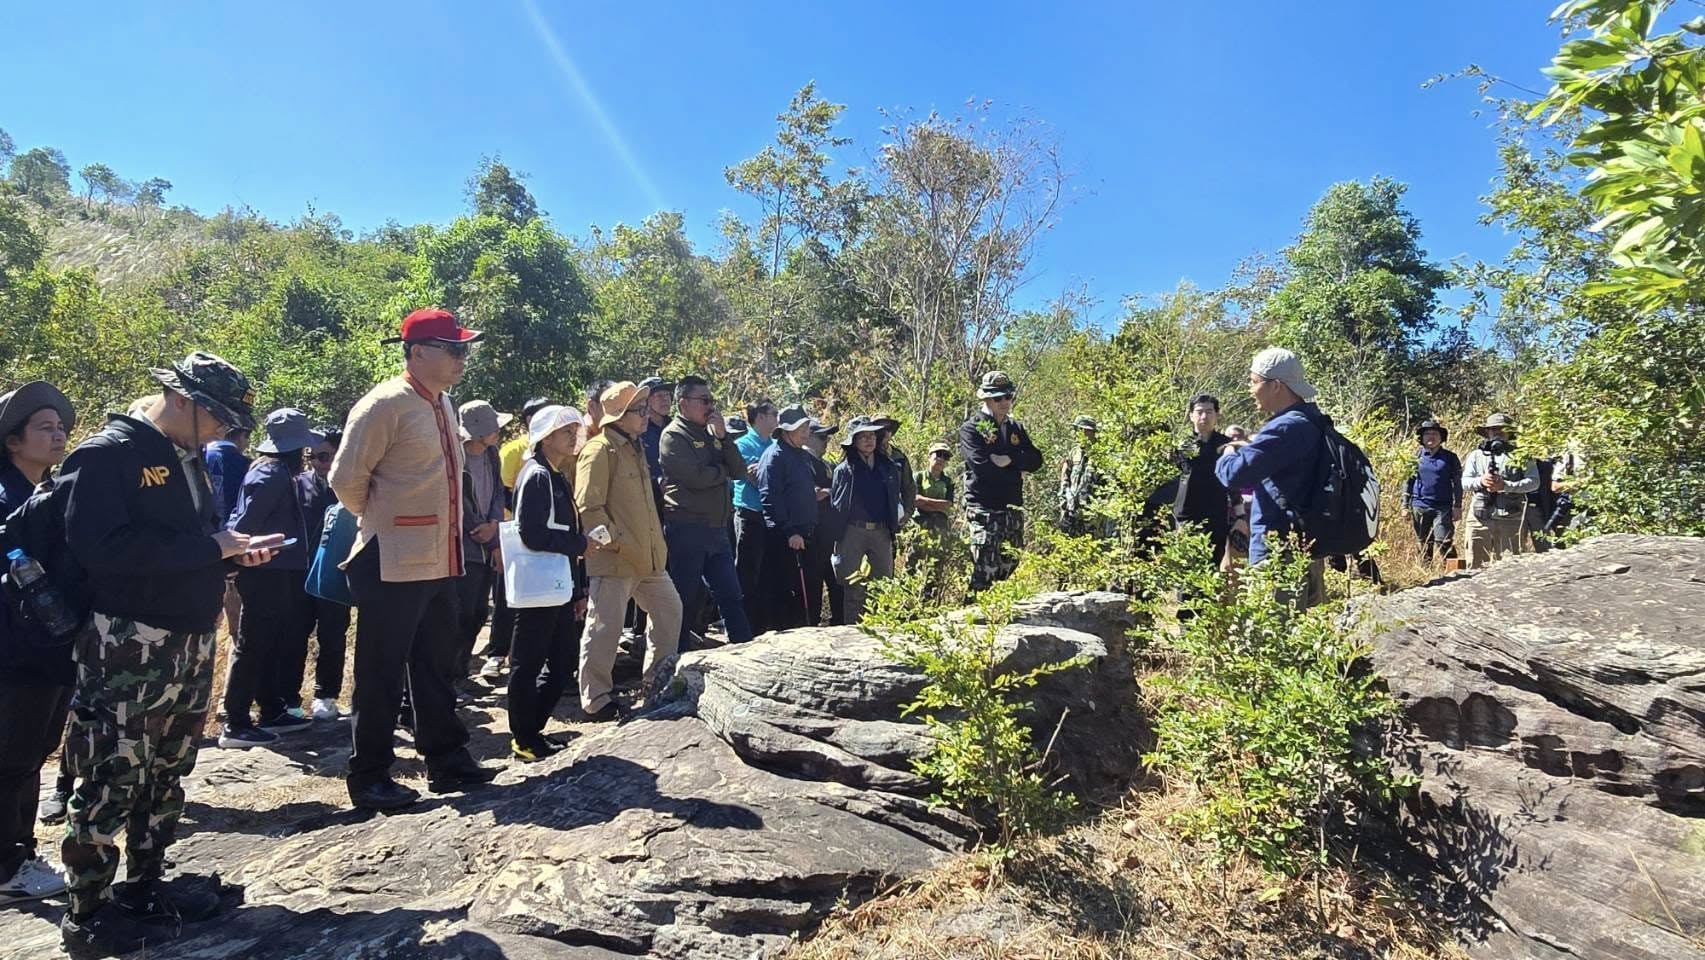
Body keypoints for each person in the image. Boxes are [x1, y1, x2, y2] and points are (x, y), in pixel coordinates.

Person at [57, 352, 278, 952]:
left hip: (187, 637)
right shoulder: (109, 454)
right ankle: (88, 913)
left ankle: (145, 885)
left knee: (169, 768)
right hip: (129, 640)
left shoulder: (188, 456)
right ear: (180, 399)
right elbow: (99, 549)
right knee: (112, 773)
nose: (226, 432)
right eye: (218, 417)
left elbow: (190, 541)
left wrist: (230, 552)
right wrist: (210, 547)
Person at [329, 308, 497, 812]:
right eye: (454, 349)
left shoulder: (445, 403)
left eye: (464, 348)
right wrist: (383, 519)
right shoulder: (384, 404)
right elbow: (344, 480)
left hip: (440, 557)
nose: (463, 358)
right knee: (380, 671)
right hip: (390, 557)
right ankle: (370, 775)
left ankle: (446, 759)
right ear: (418, 353)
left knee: (436, 663)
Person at [0, 381, 75, 905]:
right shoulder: (6, 500)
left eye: (61, 427)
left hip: (50, 651)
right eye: (44, 428)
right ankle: (7, 867)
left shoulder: (46, 493)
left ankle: (21, 851)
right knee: (12, 757)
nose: (58, 436)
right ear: (13, 440)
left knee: (31, 754)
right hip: (17, 653)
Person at [574, 382, 683, 721]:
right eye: (639, 410)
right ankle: (596, 700)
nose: (646, 415)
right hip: (616, 559)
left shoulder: (635, 448)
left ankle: (657, 683)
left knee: (670, 610)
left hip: (649, 558)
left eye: (646, 408)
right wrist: (618, 543)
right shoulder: (598, 450)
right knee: (605, 628)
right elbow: (589, 510)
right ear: (619, 416)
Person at [219, 408, 322, 747]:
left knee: (274, 641)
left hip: (282, 570)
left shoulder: (279, 473)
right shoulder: (270, 475)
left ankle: (271, 709)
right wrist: (235, 559)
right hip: (265, 571)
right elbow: (244, 524)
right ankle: (235, 720)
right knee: (253, 643)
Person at [1214, 347, 1328, 608]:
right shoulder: (1314, 420)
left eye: (1254, 382)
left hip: (1278, 552)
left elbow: (1234, 474)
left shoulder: (1286, 427)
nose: (1250, 389)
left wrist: (1229, 451)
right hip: (1307, 547)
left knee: (1268, 636)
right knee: (1298, 635)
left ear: (1276, 385)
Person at [509, 406, 590, 760]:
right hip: (538, 587)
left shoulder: (555, 475)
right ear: (545, 438)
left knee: (561, 660)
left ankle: (533, 731)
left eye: (574, 431)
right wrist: (581, 545)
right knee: (528, 663)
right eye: (565, 432)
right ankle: (524, 737)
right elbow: (530, 533)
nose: (573, 437)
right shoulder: (537, 475)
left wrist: (577, 587)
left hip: (556, 585)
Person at [659, 377, 754, 648]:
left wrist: (723, 438)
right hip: (687, 528)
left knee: (731, 593)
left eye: (712, 400)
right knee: (686, 597)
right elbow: (695, 477)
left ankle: (743, 648)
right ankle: (677, 658)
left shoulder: (712, 433)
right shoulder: (674, 435)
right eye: (704, 401)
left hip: (716, 528)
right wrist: (720, 471)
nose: (710, 407)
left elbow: (738, 471)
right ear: (684, 403)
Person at [960, 371, 1044, 592]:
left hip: (1012, 508)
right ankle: (971, 619)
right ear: (986, 399)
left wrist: (1010, 459)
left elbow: (1036, 460)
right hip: (984, 508)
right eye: (998, 398)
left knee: (1008, 566)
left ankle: (997, 618)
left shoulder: (1015, 427)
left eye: (1008, 396)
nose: (1004, 402)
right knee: (984, 568)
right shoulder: (972, 428)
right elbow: (983, 468)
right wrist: (1018, 470)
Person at [487, 398, 552, 680]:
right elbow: (503, 492)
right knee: (505, 597)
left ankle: (535, 658)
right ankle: (496, 655)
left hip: (548, 536)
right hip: (513, 533)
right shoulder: (514, 449)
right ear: (527, 419)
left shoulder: (558, 448)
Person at [455, 400, 510, 685]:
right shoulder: (456, 457)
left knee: (478, 613)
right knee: (463, 613)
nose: (498, 432)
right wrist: (480, 528)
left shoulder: (492, 455)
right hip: (465, 548)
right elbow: (459, 501)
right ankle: (453, 677)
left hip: (488, 542)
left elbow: (498, 492)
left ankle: (462, 674)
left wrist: (494, 526)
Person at [298, 427, 351, 719]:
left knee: (333, 635)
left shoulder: (351, 485)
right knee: (295, 635)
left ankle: (326, 695)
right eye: (313, 456)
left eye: (324, 456)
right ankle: (288, 699)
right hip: (300, 574)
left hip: (334, 576)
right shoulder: (298, 484)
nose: (318, 463)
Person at [830, 417, 903, 624]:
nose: (868, 440)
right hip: (853, 531)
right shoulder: (843, 470)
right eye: (862, 436)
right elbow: (837, 505)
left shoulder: (888, 467)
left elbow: (896, 498)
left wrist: (893, 527)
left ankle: (881, 629)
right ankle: (852, 630)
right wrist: (838, 538)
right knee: (853, 587)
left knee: (883, 586)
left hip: (881, 531)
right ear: (853, 441)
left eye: (871, 435)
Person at [756, 407, 820, 630]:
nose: (806, 433)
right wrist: (789, 530)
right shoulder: (774, 457)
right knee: (787, 591)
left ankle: (806, 630)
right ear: (785, 431)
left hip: (806, 534)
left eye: (806, 427)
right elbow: (769, 497)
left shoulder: (801, 454)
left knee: (807, 592)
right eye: (800, 428)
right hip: (787, 538)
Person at [1460, 413, 1540, 570]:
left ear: (1509, 432)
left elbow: (1534, 482)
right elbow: (1465, 482)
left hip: (1510, 519)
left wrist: (1506, 486)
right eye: (1493, 429)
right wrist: (1481, 481)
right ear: (1487, 432)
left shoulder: (1521, 456)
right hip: (1479, 518)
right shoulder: (1476, 455)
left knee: (1510, 567)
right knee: (1475, 566)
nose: (1497, 432)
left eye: (1502, 429)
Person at [731, 400, 779, 632]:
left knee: (769, 572)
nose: (777, 418)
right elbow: (753, 476)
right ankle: (745, 626)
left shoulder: (774, 444)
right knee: (747, 573)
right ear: (760, 416)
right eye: (773, 414)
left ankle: (765, 623)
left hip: (770, 516)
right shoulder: (743, 444)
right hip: (750, 514)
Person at [1173, 396, 1234, 562]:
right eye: (1199, 412)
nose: (1204, 417)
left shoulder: (1226, 445)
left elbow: (1233, 482)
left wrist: (1240, 515)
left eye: (1209, 412)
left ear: (1217, 415)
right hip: (1186, 515)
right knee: (1185, 568)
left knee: (1212, 569)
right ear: (1191, 415)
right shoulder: (1180, 445)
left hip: (1216, 516)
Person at [205, 425, 250, 638]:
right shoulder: (246, 464)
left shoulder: (199, 458)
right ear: (242, 436)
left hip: (201, 545)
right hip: (235, 543)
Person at [1402, 419, 1461, 564]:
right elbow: (1407, 482)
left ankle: (1455, 572)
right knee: (1423, 543)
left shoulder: (1450, 458)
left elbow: (1457, 483)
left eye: (1435, 434)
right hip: (1420, 505)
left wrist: (1458, 505)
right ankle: (1425, 575)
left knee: (1444, 540)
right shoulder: (1415, 457)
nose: (1431, 437)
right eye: (1427, 434)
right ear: (1422, 438)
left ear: (1441, 438)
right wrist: (1404, 506)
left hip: (1443, 507)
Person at [804, 418, 840, 626]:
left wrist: (828, 492)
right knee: (813, 582)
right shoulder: (803, 461)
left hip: (829, 533)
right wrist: (826, 492)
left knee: (836, 581)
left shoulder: (827, 464)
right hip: (812, 532)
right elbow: (813, 494)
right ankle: (811, 623)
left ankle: (838, 621)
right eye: (821, 437)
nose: (826, 441)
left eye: (827, 437)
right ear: (808, 436)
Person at [1058, 415, 1102, 535]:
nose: (1080, 433)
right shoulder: (1074, 453)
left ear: (1092, 432)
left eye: (1084, 430)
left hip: (1091, 515)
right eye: (1078, 430)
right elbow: (1065, 478)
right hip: (1071, 510)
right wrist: (1064, 503)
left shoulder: (1102, 455)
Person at [870, 415, 916, 526]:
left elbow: (909, 487)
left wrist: (908, 512)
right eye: (881, 429)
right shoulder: (865, 454)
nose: (885, 433)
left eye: (888, 429)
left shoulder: (899, 457)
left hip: (893, 515)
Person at [913, 442, 956, 530]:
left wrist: (925, 501)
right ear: (929, 457)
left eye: (946, 457)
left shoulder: (948, 481)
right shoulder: (918, 477)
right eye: (939, 454)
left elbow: (948, 504)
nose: (941, 459)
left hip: (941, 525)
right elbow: (916, 500)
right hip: (919, 523)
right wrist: (938, 507)